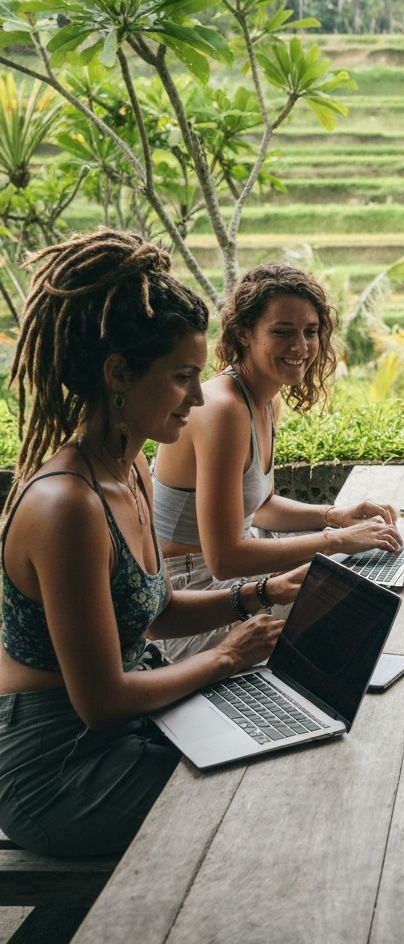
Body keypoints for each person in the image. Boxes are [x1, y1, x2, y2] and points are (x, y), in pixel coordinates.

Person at [0, 229, 308, 857]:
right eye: (181, 378)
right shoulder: (68, 507)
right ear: (118, 374)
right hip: (58, 767)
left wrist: (261, 593)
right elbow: (102, 701)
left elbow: (157, 612)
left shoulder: (130, 467)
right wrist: (225, 658)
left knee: (288, 737)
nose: (197, 397)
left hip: (127, 724)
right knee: (263, 793)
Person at [152, 263, 402, 661]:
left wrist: (334, 516)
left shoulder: (263, 399)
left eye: (310, 331)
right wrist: (337, 539)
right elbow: (224, 558)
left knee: (365, 584)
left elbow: (260, 507)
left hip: (232, 581)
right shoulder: (223, 410)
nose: (300, 346)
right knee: (359, 610)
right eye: (283, 332)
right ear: (243, 333)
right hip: (192, 598)